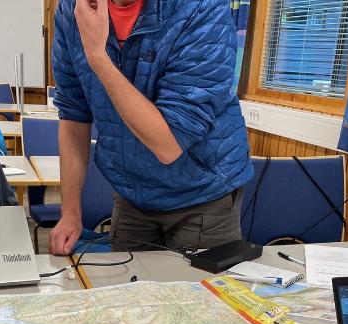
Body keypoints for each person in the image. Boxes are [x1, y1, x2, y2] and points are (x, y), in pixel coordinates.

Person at [49, 0, 254, 254]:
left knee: (194, 292)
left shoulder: (201, 8)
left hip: (201, 192)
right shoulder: (73, 11)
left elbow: (169, 143)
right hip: (133, 193)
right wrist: (70, 212)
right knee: (128, 290)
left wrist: (97, 56)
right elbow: (73, 116)